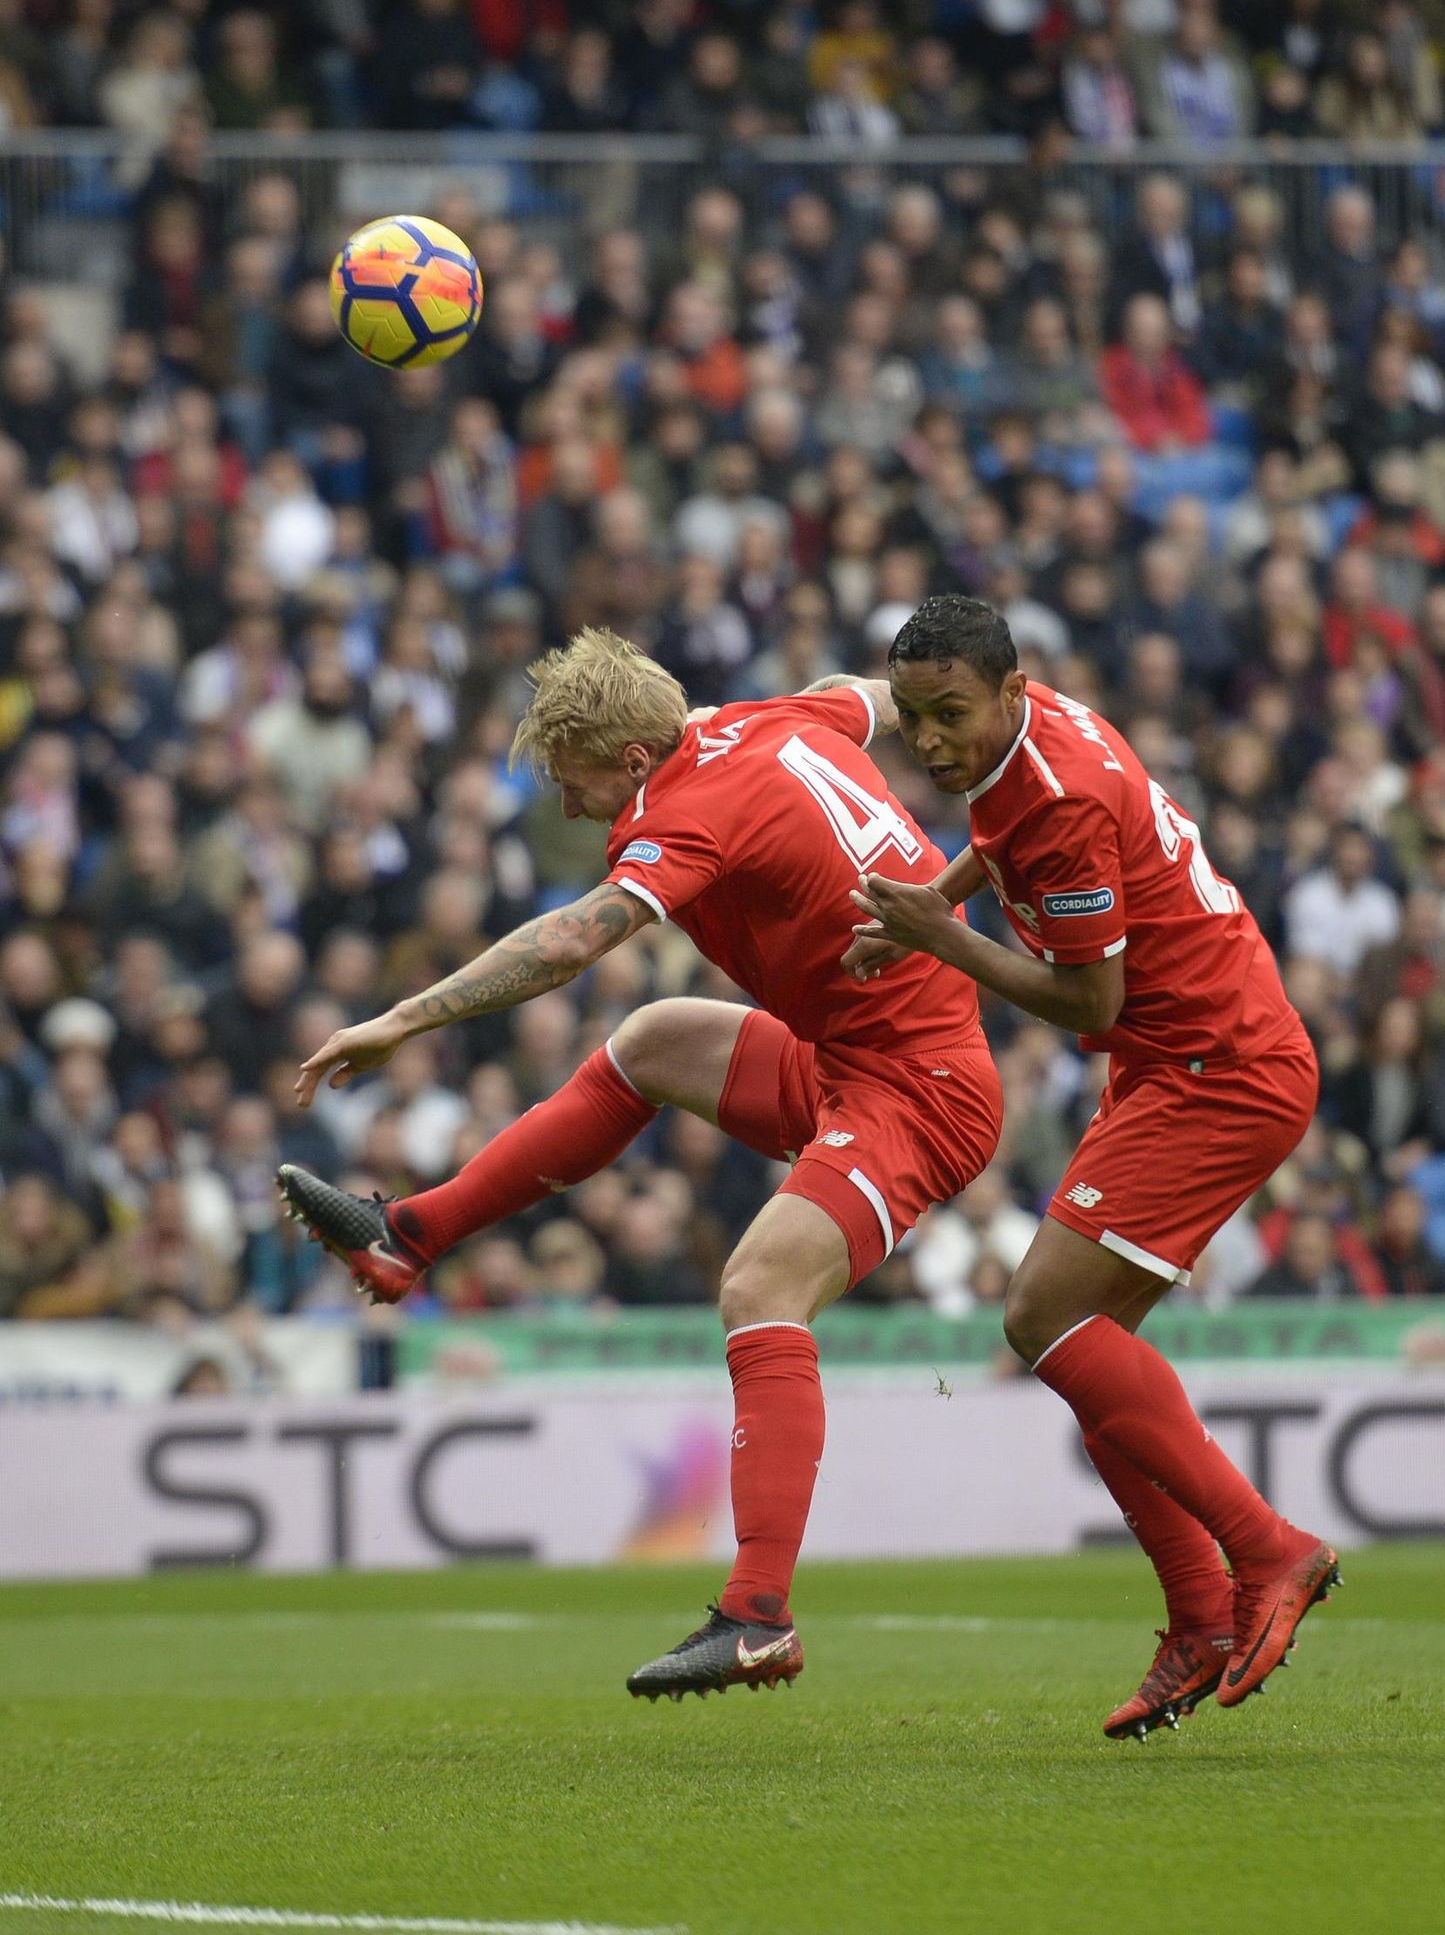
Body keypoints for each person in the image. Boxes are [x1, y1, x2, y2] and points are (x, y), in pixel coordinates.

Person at [279, 629, 1000, 1698]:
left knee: (759, 1287)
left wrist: (400, 1019)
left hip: (916, 1092)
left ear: (627, 759)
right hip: (848, 1058)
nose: (570, 808)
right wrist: (1002, 709)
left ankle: (757, 1615)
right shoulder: (772, 719)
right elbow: (869, 696)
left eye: (572, 782)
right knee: (657, 1038)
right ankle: (408, 1236)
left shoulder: (690, 805)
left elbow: (569, 943)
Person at [847, 596, 1337, 1739]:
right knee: (1084, 1352)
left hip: (1214, 1069)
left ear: (1009, 693)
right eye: (911, 718)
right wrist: (947, 894)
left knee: (1038, 1320)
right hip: (1193, 1057)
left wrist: (942, 938)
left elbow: (1087, 999)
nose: (926, 742)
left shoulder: (1058, 796)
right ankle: (1199, 1617)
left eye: (948, 715)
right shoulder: (1043, 729)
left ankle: (1271, 1553)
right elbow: (1006, 835)